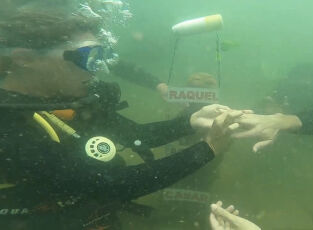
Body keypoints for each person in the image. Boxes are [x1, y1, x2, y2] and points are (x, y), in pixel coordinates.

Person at [0, 6, 264, 229]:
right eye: (87, 57)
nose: (97, 69)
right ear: (25, 59)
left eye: (100, 56)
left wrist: (191, 120)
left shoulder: (73, 98)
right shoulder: (7, 126)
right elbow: (110, 184)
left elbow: (137, 136)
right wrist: (208, 149)